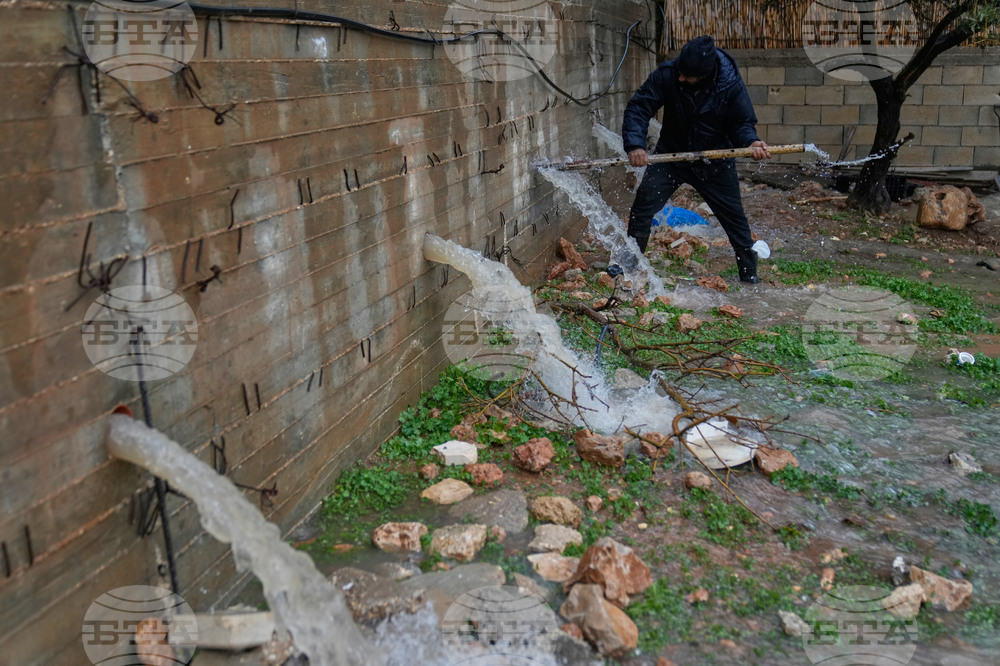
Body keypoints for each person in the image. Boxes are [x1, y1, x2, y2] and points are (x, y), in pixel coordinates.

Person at [622, 35, 770, 283]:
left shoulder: (729, 84)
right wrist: (635, 144)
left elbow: (741, 123)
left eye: (687, 76)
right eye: (680, 72)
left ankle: (749, 276)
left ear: (705, 75)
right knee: (642, 209)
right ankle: (628, 267)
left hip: (715, 163)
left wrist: (751, 143)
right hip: (672, 156)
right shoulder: (668, 74)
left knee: (735, 222)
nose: (680, 78)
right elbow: (639, 107)